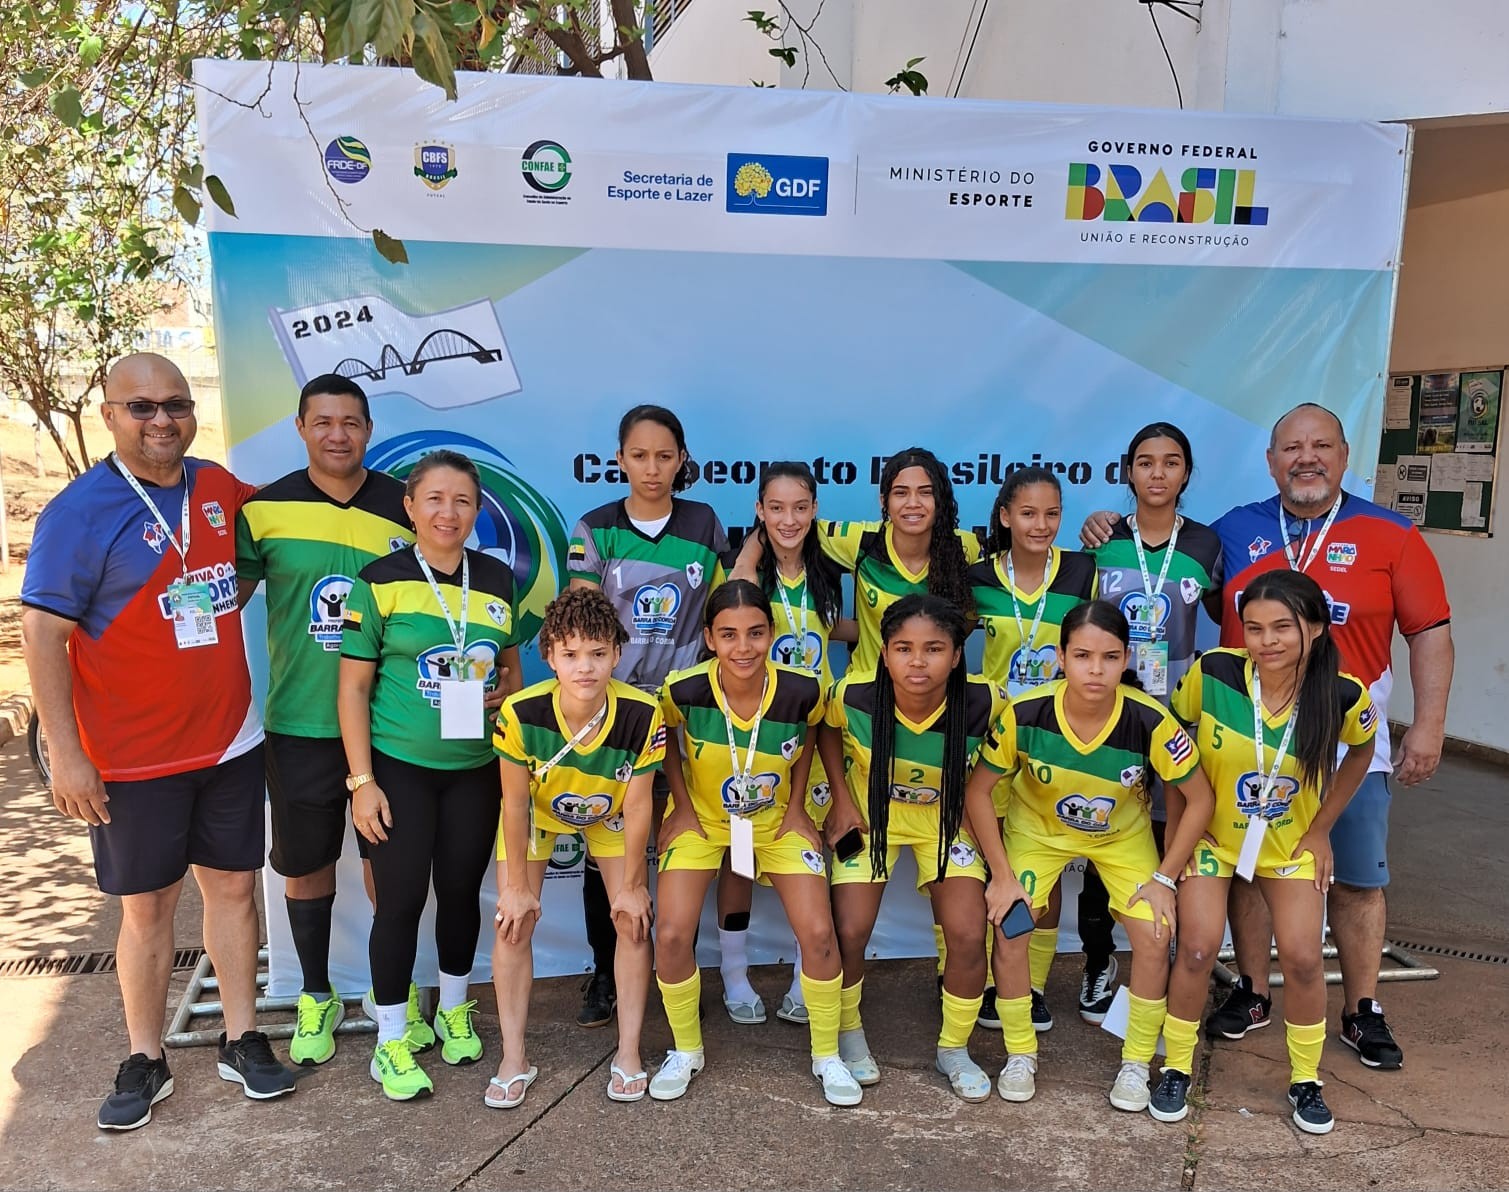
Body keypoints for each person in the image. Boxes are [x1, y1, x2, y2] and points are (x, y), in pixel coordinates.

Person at [1082, 402, 1453, 1067]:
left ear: (1342, 455)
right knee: (1247, 868)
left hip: (1341, 741)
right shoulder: (1233, 530)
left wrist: (1427, 724)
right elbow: (1166, 558)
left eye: (1318, 446)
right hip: (1240, 742)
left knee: (1356, 878)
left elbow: (1428, 631)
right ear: (1270, 461)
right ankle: (1251, 990)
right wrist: (1107, 525)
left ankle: (1361, 1007)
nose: (1304, 458)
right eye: (1289, 448)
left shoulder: (1391, 532)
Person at [21, 352, 296, 1130]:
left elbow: (269, 540)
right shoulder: (78, 511)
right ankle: (146, 1057)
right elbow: (42, 630)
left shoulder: (216, 488)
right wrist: (67, 755)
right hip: (133, 756)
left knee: (236, 891)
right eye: (140, 407)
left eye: (174, 403)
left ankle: (241, 1038)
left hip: (229, 740)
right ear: (108, 414)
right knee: (147, 908)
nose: (162, 420)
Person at [963, 600, 1216, 1110]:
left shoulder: (1150, 719)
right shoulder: (1025, 713)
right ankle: (1020, 1052)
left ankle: (1135, 1063)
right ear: (1060, 657)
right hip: (1038, 833)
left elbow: (1202, 798)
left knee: (1154, 931)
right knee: (1011, 922)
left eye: (1109, 656)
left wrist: (1166, 878)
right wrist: (1002, 875)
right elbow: (977, 792)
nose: (1095, 669)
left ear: (1127, 660)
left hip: (1121, 838)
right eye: (1082, 656)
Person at [1153, 570, 1377, 1133]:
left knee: (1303, 959)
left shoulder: (1345, 693)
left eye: (1283, 627)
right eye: (1254, 628)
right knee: (1199, 950)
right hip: (1213, 839)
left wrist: (1322, 827)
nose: (1266, 640)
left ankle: (1306, 1081)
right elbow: (1175, 762)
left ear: (1318, 628)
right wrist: (1176, 849)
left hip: (1287, 847)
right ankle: (1176, 1066)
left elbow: (1362, 753)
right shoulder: (1213, 672)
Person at [235, 373, 414, 1066]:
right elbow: (227, 606)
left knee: (386, 864)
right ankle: (315, 993)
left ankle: (387, 994)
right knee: (305, 866)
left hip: (389, 723)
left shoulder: (401, 506)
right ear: (301, 427)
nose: (338, 434)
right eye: (324, 422)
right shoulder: (264, 509)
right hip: (300, 721)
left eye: (351, 422)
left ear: (367, 430)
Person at [338, 450, 523, 1101]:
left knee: (460, 892)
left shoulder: (497, 578)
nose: (449, 512)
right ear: (410, 506)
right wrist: (362, 783)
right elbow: (353, 690)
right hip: (400, 770)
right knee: (401, 902)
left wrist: (502, 699)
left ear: (476, 511)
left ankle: (451, 1008)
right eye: (435, 499)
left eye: (463, 501)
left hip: (473, 771)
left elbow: (509, 670)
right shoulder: (379, 579)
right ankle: (390, 1039)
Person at [649, 581, 859, 1107]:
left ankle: (827, 1056)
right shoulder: (683, 688)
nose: (743, 647)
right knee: (672, 934)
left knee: (819, 933)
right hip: (705, 823)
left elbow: (817, 732)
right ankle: (686, 1050)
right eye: (729, 635)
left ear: (771, 633)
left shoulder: (801, 689)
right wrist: (683, 806)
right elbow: (664, 738)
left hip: (774, 824)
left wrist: (796, 809)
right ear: (709, 638)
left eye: (755, 633)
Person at [567, 405, 729, 1029]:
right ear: (620, 460)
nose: (652, 469)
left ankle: (677, 968)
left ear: (682, 460)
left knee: (686, 840)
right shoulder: (596, 527)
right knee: (607, 847)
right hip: (614, 716)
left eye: (665, 456)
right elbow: (582, 621)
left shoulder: (704, 523)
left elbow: (723, 611)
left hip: (687, 713)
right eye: (639, 456)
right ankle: (604, 974)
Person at [822, 594, 1003, 1103]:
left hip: (944, 822)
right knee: (850, 929)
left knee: (968, 935)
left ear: (957, 654)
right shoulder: (854, 695)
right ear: (884, 653)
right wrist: (840, 798)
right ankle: (850, 1033)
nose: (918, 662)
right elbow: (825, 732)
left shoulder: (985, 701)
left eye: (934, 649)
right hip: (873, 818)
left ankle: (954, 1047)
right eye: (903, 648)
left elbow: (1003, 760)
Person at [491, 588, 663, 1108]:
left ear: (617, 652)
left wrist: (633, 887)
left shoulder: (642, 712)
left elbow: (637, 807)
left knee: (632, 920)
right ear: (549, 657)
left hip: (608, 812)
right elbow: (514, 805)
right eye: (570, 655)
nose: (584, 667)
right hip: (540, 814)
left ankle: (628, 1052)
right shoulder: (522, 711)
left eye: (597, 653)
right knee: (513, 922)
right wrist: (518, 888)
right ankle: (514, 1057)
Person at [1078, 424, 1222, 1027]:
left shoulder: (1209, 545)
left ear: (1186, 473)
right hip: (1109, 707)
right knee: (1101, 833)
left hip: (1177, 711)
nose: (1157, 473)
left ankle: (1167, 958)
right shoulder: (1102, 540)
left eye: (1170, 463)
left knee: (1168, 834)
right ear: (1128, 471)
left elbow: (1230, 619)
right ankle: (1096, 961)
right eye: (1145, 462)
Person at [969, 465, 1097, 1034]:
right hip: (997, 745)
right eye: (1027, 513)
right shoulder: (975, 577)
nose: (1040, 524)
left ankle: (1034, 985)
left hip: (1057, 743)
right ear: (1004, 517)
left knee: (1045, 875)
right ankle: (989, 981)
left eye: (1051, 514)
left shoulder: (1082, 571)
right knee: (996, 871)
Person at [728, 461, 856, 1025]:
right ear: (759, 511)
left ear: (815, 511)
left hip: (819, 728)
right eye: (775, 508)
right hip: (757, 734)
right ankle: (734, 974)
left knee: (816, 843)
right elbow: (732, 603)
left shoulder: (827, 569)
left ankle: (811, 974)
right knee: (739, 853)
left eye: (800, 508)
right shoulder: (749, 570)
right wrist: (755, 549)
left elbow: (835, 629)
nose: (789, 518)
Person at [816, 446, 979, 674]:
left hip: (931, 693)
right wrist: (746, 564)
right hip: (865, 693)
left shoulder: (965, 548)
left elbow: (970, 618)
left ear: (940, 499)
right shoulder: (863, 541)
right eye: (901, 493)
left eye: (925, 492)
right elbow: (787, 526)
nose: (913, 503)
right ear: (884, 501)